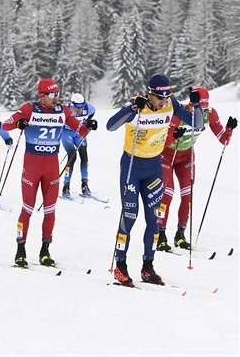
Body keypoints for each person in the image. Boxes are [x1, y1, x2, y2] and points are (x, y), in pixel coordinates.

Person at [106, 73, 203, 286]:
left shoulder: (171, 104)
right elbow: (110, 126)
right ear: (149, 95)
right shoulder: (136, 104)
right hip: (132, 167)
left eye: (167, 96)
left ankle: (148, 266)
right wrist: (130, 109)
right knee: (129, 217)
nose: (163, 101)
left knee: (154, 220)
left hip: (154, 168)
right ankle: (120, 265)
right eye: (160, 97)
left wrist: (195, 106)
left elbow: (198, 125)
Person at [2, 79, 97, 268]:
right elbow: (6, 125)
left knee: (50, 210)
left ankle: (45, 251)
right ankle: (20, 250)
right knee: (27, 209)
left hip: (51, 166)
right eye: (52, 95)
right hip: (32, 165)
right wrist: (19, 122)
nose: (56, 98)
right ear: (42, 96)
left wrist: (89, 126)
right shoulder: (30, 108)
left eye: (58, 94)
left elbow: (79, 130)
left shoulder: (63, 110)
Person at [157, 87, 236, 252]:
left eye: (203, 108)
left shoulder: (210, 114)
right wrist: (174, 136)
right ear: (191, 103)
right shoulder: (180, 113)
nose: (199, 112)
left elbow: (224, 140)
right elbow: (162, 143)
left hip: (186, 156)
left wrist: (229, 129)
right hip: (167, 155)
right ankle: (160, 234)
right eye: (196, 107)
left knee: (187, 195)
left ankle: (180, 234)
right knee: (168, 194)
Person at [61, 93, 96, 198]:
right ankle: (66, 186)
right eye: (77, 107)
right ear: (72, 104)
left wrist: (90, 125)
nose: (80, 109)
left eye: (82, 106)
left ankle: (85, 184)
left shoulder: (90, 109)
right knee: (72, 156)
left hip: (79, 134)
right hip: (66, 133)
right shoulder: (64, 109)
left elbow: (88, 120)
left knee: (84, 155)